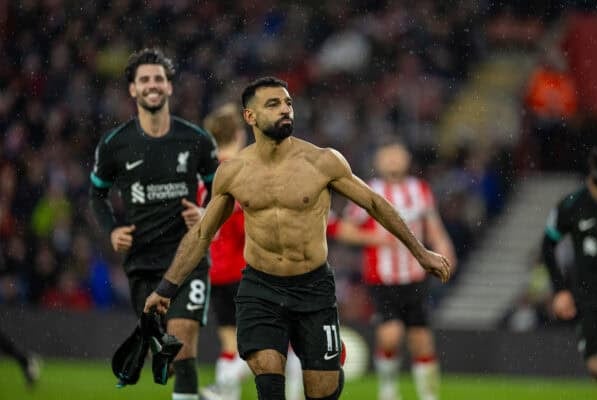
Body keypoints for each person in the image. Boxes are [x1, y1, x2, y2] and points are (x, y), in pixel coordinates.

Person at [144, 76, 451, 400]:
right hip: (260, 289)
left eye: (288, 103)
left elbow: (375, 203)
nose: (285, 109)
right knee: (268, 376)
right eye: (273, 104)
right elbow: (203, 233)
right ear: (250, 117)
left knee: (323, 390)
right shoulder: (234, 172)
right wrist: (166, 289)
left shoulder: (322, 161)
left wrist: (421, 252)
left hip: (313, 288)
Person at [89, 48, 219, 400]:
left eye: (158, 78)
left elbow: (222, 189)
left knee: (182, 341)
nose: (152, 85)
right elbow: (96, 195)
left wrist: (207, 212)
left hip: (188, 258)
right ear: (132, 89)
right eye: (144, 79)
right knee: (167, 357)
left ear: (169, 87)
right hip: (142, 263)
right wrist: (112, 229)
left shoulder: (196, 140)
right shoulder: (115, 144)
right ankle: (198, 394)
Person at [333, 140, 456, 400]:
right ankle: (388, 388)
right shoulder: (368, 190)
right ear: (378, 161)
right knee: (390, 336)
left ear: (407, 160)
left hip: (415, 276)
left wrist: (445, 250)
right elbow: (343, 229)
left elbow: (433, 226)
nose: (393, 161)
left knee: (421, 339)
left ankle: (428, 395)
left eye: (397, 156)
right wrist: (374, 239)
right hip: (382, 278)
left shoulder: (419, 190)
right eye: (388, 156)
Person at [199, 102, 304, 400]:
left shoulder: (203, 176)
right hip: (248, 268)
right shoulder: (244, 171)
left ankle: (224, 391)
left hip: (214, 270)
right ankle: (230, 387)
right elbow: (253, 224)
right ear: (239, 134)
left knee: (231, 342)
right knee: (281, 340)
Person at [542, 146, 597, 381]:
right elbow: (548, 245)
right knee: (595, 365)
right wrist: (560, 289)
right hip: (588, 297)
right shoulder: (571, 205)